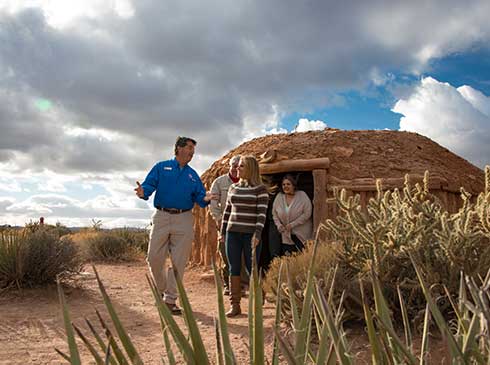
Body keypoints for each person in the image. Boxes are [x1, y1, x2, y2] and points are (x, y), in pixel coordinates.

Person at [135, 136, 215, 315]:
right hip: (161, 216)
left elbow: (200, 196)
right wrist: (142, 193)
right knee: (154, 258)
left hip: (184, 219)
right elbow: (148, 187)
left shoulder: (192, 175)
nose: (192, 153)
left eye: (194, 151)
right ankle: (163, 290)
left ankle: (171, 300)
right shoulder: (161, 167)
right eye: (189, 149)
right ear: (178, 148)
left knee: (179, 262)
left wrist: (205, 198)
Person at [220, 155, 269, 317]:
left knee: (251, 268)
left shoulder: (260, 189)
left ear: (251, 169)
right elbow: (227, 211)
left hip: (250, 235)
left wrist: (257, 234)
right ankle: (235, 305)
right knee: (233, 268)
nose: (237, 169)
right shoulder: (233, 188)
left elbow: (262, 215)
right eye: (237, 166)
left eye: (241, 166)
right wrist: (222, 232)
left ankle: (258, 297)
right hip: (232, 233)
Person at [209, 155, 240, 295]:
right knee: (226, 254)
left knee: (243, 256)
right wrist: (221, 220)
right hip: (224, 225)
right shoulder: (219, 182)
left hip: (243, 224)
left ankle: (241, 285)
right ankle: (228, 284)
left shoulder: (247, 182)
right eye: (233, 165)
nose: (236, 168)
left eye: (239, 165)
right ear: (230, 166)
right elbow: (213, 205)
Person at [272, 174, 312, 256]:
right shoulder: (279, 197)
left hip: (301, 234)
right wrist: (279, 225)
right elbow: (274, 213)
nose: (285, 186)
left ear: (293, 185)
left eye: (288, 184)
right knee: (288, 257)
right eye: (283, 184)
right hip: (286, 235)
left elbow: (307, 213)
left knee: (301, 257)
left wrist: (292, 224)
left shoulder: (302, 195)